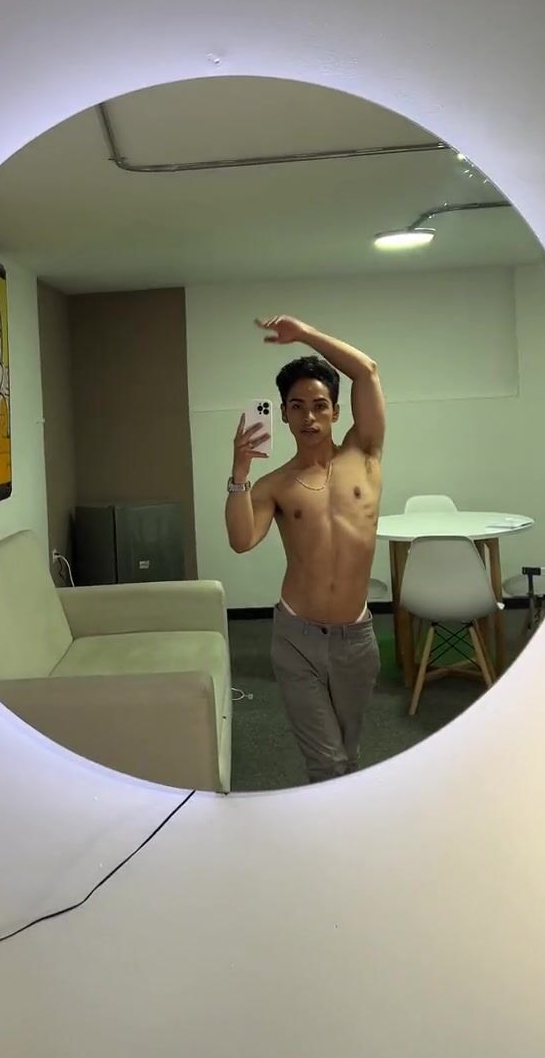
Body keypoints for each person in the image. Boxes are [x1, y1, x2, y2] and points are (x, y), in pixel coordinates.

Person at [224, 314, 385, 783]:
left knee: (348, 756)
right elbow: (241, 541)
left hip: (356, 638)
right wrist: (239, 473)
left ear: (336, 412)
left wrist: (307, 335)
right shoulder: (274, 485)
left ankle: (336, 817)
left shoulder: (364, 455)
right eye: (297, 407)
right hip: (297, 637)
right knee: (327, 762)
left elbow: (366, 371)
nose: (309, 418)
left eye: (319, 406)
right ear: (283, 414)